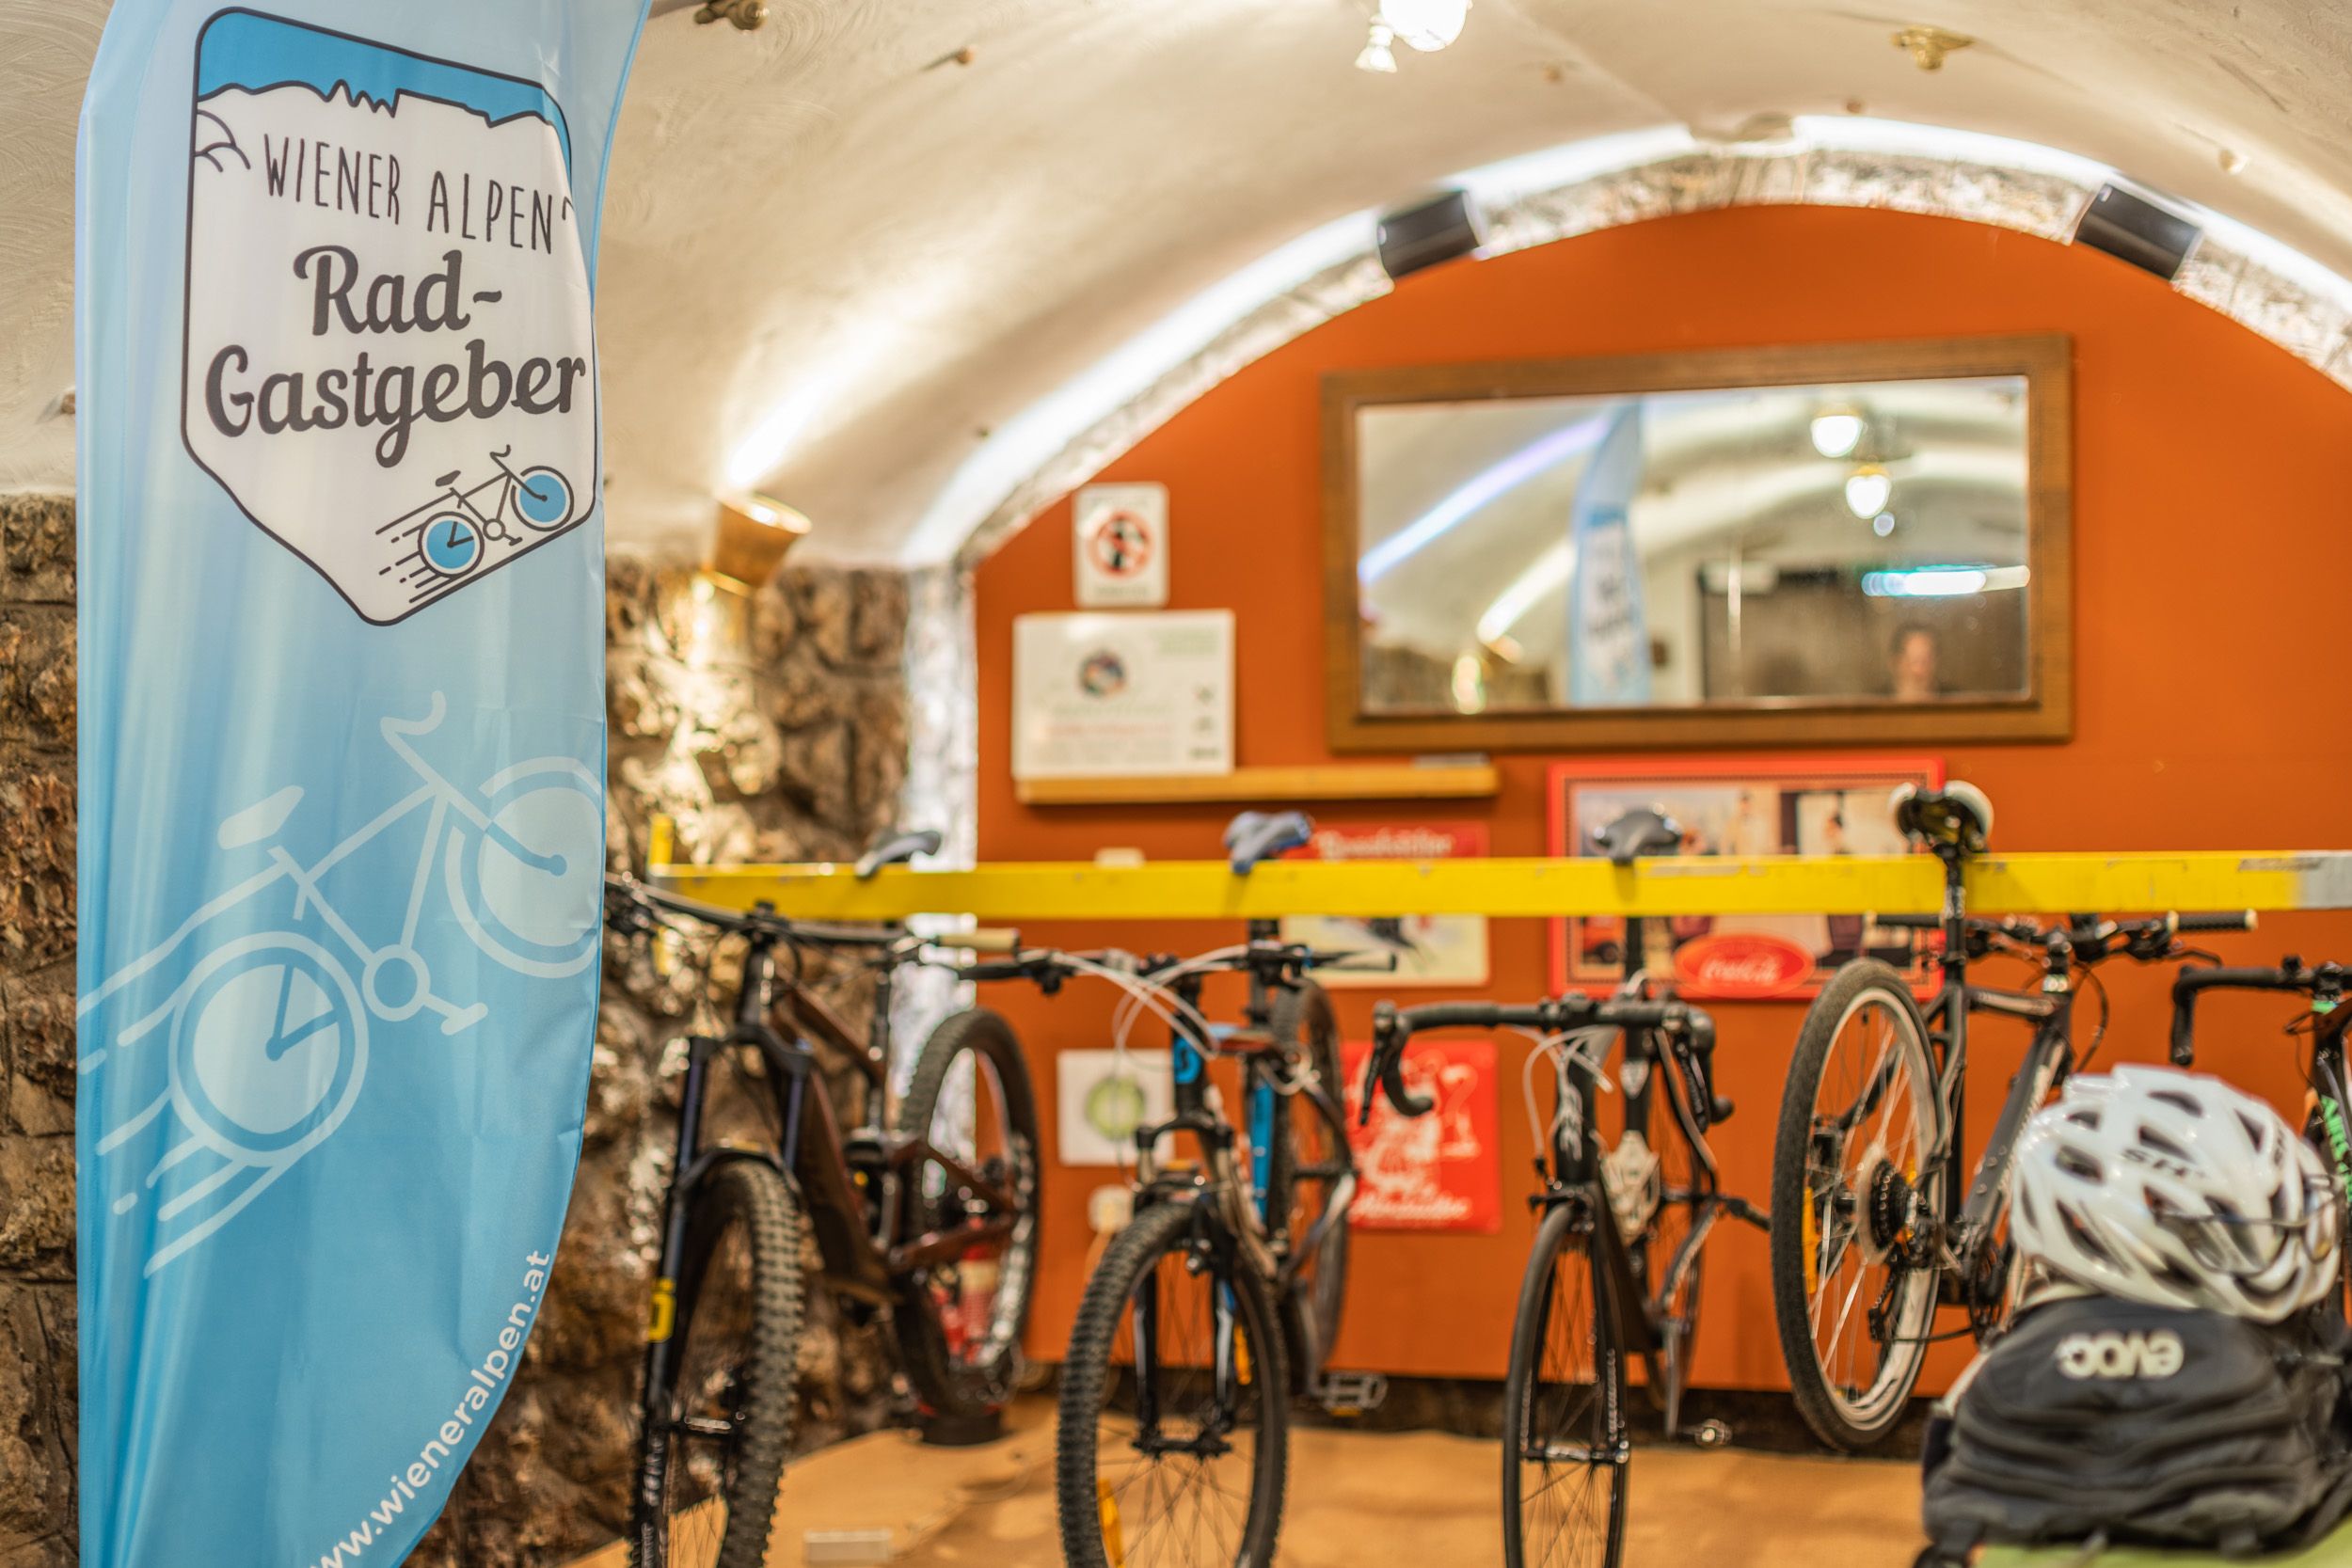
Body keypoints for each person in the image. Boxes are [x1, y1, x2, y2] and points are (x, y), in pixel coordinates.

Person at [1891, 622, 1941, 701]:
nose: (1920, 671)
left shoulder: (1953, 699)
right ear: (1897, 662)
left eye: (1926, 661)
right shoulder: (1876, 702)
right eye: (1914, 662)